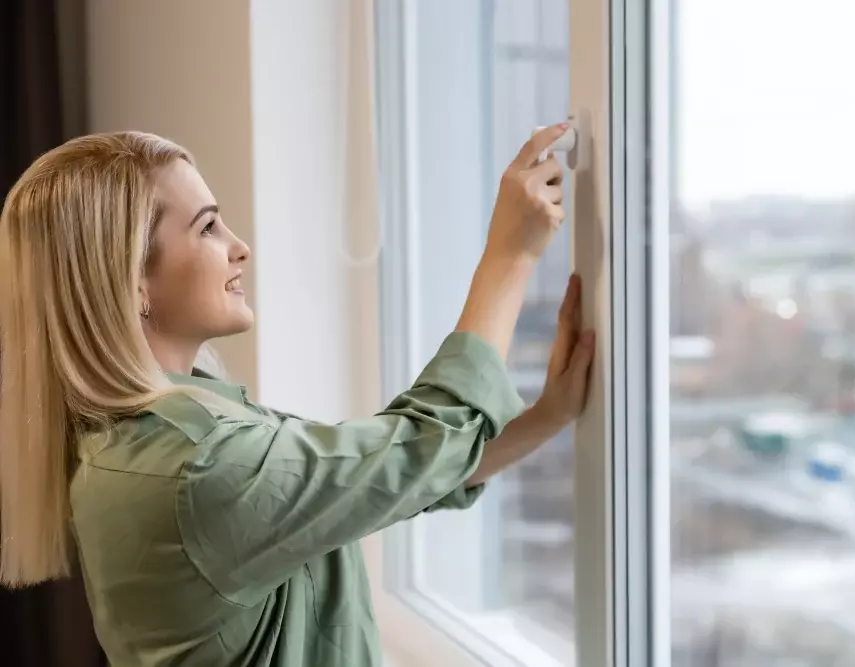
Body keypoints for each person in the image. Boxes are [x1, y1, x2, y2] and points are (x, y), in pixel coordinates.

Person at [0, 125, 594, 666]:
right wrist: (512, 253)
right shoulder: (195, 467)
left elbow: (373, 480)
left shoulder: (152, 431)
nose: (239, 247)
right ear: (132, 282)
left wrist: (547, 416)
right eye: (207, 227)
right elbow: (418, 447)